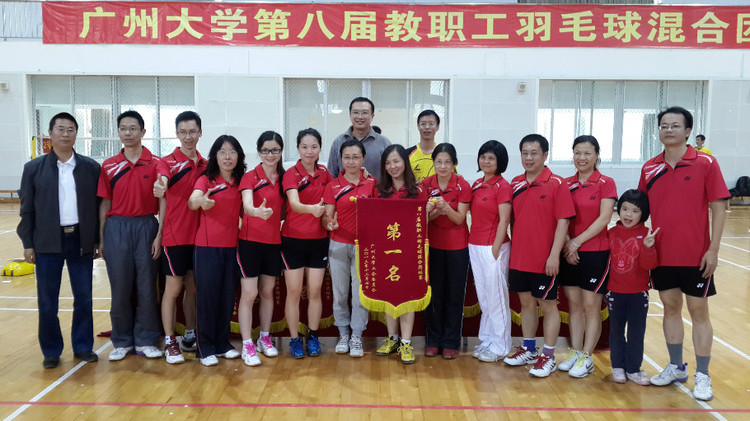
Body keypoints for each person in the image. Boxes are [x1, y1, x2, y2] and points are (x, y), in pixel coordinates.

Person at [639, 106, 730, 401]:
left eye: (675, 125)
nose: (668, 130)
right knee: (670, 308)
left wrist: (713, 249)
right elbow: (639, 210)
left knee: (698, 311)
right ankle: (676, 367)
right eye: (664, 125)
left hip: (696, 255)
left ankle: (702, 374)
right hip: (662, 254)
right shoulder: (649, 168)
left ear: (688, 131)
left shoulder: (705, 163)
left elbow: (719, 207)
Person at [17, 112, 101, 368]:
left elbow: (99, 207)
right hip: (47, 242)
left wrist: (98, 240)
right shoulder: (33, 169)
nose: (65, 134)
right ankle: (51, 351)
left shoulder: (90, 168)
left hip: (81, 240)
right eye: (60, 129)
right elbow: (26, 209)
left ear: (76, 134)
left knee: (84, 297)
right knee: (47, 300)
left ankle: (83, 346)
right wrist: (28, 243)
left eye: (70, 129)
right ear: (50, 134)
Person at [503, 134, 575, 378]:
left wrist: (554, 255)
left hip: (545, 260)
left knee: (548, 306)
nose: (529, 158)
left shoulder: (557, 183)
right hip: (519, 257)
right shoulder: (515, 183)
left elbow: (563, 222)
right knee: (526, 304)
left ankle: (549, 355)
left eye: (534, 153)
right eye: (525, 153)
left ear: (545, 155)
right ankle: (529, 348)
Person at [98, 110, 164, 361]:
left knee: (147, 286)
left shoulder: (156, 163)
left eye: (133, 128)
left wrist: (159, 235)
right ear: (118, 132)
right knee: (120, 286)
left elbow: (164, 201)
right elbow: (105, 202)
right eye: (123, 128)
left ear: (143, 132)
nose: (128, 133)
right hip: (117, 228)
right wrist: (102, 238)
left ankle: (147, 339)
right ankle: (122, 340)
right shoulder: (109, 165)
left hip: (146, 226)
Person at [558, 135, 617, 378]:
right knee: (574, 305)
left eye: (587, 153)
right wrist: (567, 245)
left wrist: (576, 243)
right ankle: (575, 350)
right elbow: (560, 217)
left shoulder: (606, 183)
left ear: (596, 155)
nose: (581, 158)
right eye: (577, 153)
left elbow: (604, 218)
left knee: (591, 306)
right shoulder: (565, 184)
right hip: (568, 253)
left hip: (595, 253)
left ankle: (587, 356)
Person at [153, 111, 206, 365]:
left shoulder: (206, 164)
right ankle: (170, 340)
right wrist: (160, 185)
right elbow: (161, 183)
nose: (188, 137)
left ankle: (190, 334)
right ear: (176, 133)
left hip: (201, 238)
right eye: (183, 132)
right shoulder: (167, 162)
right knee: (173, 289)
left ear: (200, 133)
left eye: (192, 132)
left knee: (193, 289)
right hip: (175, 237)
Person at [189, 135, 245, 367]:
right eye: (222, 152)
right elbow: (192, 201)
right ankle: (205, 348)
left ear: (239, 156)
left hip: (232, 247)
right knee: (208, 298)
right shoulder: (206, 180)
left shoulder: (241, 182)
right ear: (215, 156)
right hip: (207, 248)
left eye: (232, 152)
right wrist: (201, 201)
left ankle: (222, 343)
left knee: (227, 298)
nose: (227, 156)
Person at [374, 144, 432, 365]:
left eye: (396, 161)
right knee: (389, 295)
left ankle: (406, 342)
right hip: (386, 251)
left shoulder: (418, 190)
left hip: (410, 252)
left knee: (407, 297)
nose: (393, 166)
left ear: (405, 163)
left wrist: (426, 213)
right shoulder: (379, 190)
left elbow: (423, 224)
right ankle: (392, 338)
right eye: (388, 163)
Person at [281, 128, 333, 359]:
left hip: (318, 242)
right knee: (293, 293)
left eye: (314, 147)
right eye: (304, 147)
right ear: (298, 149)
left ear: (320, 148)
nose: (309, 151)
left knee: (314, 292)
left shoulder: (325, 174)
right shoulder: (291, 174)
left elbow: (333, 200)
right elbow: (294, 203)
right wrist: (312, 210)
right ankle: (294, 340)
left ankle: (313, 336)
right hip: (293, 240)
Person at [322, 139, 376, 358]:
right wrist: (329, 223)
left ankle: (356, 336)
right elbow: (327, 216)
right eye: (347, 157)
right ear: (341, 159)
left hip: (365, 247)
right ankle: (343, 334)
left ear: (363, 159)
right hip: (338, 245)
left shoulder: (372, 184)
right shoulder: (332, 185)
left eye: (355, 157)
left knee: (360, 294)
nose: (351, 161)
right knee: (340, 293)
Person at [237, 131, 285, 366]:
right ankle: (247, 344)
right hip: (250, 243)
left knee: (267, 292)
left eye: (275, 150)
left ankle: (264, 338)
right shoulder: (249, 177)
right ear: (259, 152)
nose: (270, 154)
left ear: (281, 152)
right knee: (249, 293)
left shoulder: (285, 178)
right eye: (265, 150)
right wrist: (256, 211)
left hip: (273, 243)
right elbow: (247, 205)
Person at [422, 143, 471, 359]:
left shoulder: (463, 185)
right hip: (432, 246)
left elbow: (460, 219)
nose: (443, 166)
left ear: (454, 164)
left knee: (454, 296)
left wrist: (446, 208)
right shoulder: (425, 185)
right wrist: (433, 212)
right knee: (434, 296)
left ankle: (451, 342)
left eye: (447, 162)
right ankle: (433, 341)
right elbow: (422, 220)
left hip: (457, 247)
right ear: (433, 163)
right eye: (439, 162)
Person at [607, 189, 659, 386]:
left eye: (635, 211)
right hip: (615, 292)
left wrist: (648, 247)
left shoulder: (647, 234)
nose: (628, 214)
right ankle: (617, 367)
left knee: (636, 333)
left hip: (638, 294)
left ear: (643, 214)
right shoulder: (611, 233)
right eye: (625, 209)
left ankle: (634, 369)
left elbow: (649, 266)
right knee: (616, 332)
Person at [468, 140, 513, 363]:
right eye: (483, 157)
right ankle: (487, 339)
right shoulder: (476, 183)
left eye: (491, 158)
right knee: (484, 298)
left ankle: (501, 346)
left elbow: (505, 219)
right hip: (474, 245)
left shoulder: (503, 186)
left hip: (494, 247)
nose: (486, 161)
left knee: (497, 299)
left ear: (500, 161)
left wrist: (495, 249)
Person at [326, 97, 391, 180]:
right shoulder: (338, 142)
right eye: (356, 112)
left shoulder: (384, 143)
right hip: (344, 188)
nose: (360, 117)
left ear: (372, 116)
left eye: (364, 113)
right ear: (350, 115)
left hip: (375, 188)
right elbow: (331, 175)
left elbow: (390, 175)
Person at [407, 110, 441, 181]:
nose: (427, 127)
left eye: (431, 124)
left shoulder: (444, 153)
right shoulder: (407, 154)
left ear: (437, 127)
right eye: (423, 124)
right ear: (418, 126)